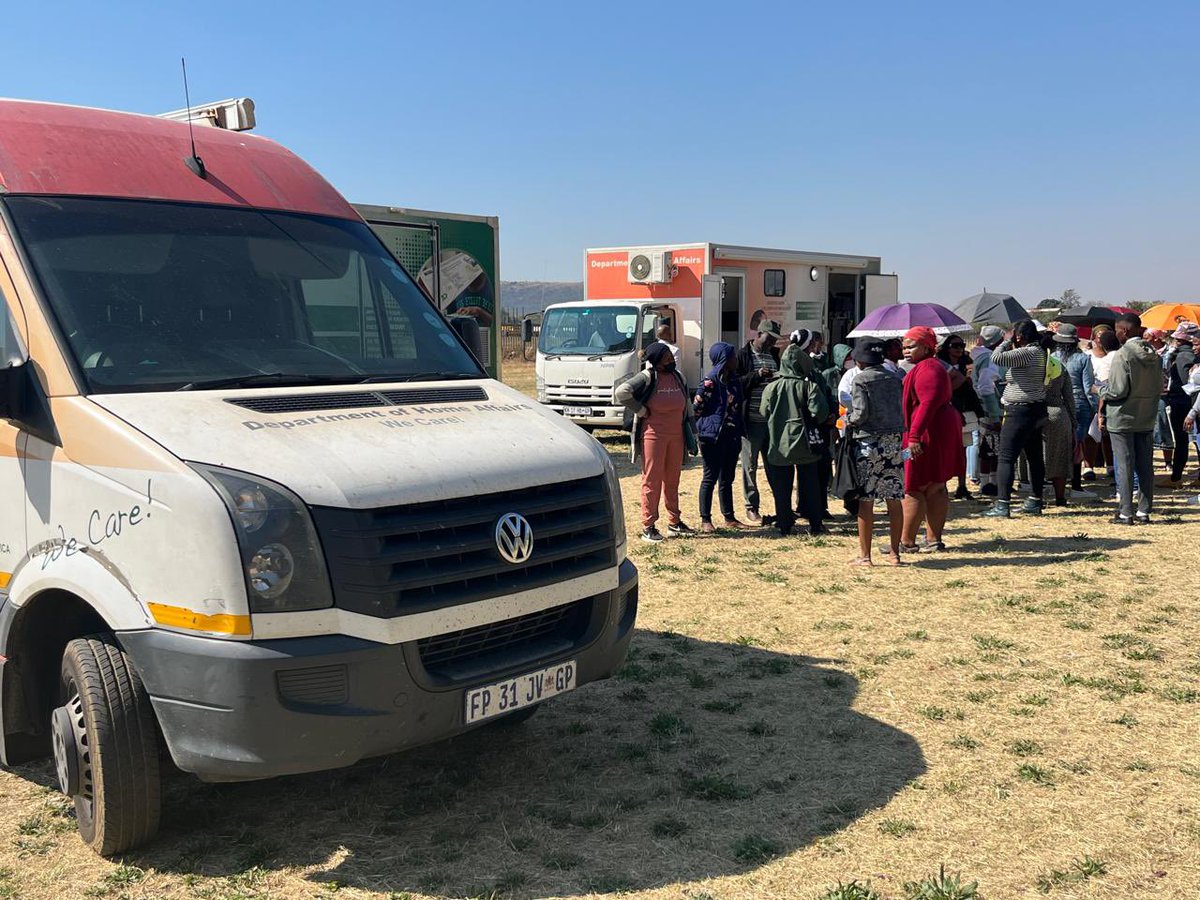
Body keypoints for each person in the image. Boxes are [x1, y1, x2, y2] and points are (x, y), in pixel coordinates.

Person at [616, 341, 694, 542]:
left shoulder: (678, 377)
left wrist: (693, 430)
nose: (671, 360)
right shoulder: (648, 376)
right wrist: (642, 411)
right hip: (653, 436)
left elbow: (686, 403)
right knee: (652, 481)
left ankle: (674, 522)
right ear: (658, 361)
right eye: (667, 357)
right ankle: (648, 526)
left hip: (676, 436)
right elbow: (622, 392)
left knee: (673, 480)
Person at [899, 326, 962, 550]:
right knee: (935, 484)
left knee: (914, 485)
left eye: (911, 346)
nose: (906, 351)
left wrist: (914, 437)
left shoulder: (928, 369)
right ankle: (933, 539)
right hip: (937, 429)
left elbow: (927, 404)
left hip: (926, 432)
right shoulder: (932, 367)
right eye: (904, 347)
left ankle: (906, 541)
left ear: (927, 347)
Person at [759, 343, 830, 536]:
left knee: (781, 487)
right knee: (810, 485)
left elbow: (764, 411)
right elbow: (820, 413)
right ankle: (815, 524)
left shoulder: (771, 388)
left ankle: (784, 524)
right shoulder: (810, 387)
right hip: (806, 444)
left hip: (779, 444)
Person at [982, 319, 1051, 518]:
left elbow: (997, 357)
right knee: (1034, 457)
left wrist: (1006, 341)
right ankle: (1035, 500)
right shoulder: (1040, 351)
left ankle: (1003, 504)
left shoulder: (1026, 352)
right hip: (1036, 408)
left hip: (1019, 410)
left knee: (1006, 457)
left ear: (1019, 336)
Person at [847, 340, 906, 566]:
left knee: (866, 499)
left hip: (868, 442)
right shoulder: (895, 378)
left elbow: (860, 413)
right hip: (893, 442)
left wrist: (848, 420)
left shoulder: (861, 380)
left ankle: (866, 556)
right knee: (894, 498)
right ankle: (895, 554)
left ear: (860, 361)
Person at [1102, 312, 1161, 524]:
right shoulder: (1153, 354)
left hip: (1122, 417)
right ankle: (1144, 511)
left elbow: (1118, 390)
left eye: (1117, 330)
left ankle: (1126, 512)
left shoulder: (1123, 354)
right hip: (1146, 415)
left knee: (1124, 464)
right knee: (1145, 465)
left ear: (1125, 331)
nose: (1116, 334)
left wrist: (1100, 391)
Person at [693, 342, 748, 533]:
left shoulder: (734, 382)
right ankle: (705, 519)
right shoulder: (710, 382)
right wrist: (705, 427)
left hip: (731, 435)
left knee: (727, 478)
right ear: (724, 359)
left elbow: (739, 407)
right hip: (712, 437)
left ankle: (729, 517)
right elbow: (696, 408)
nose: (735, 359)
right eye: (732, 356)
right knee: (710, 477)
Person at [735, 320, 783, 524]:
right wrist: (756, 376)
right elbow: (735, 383)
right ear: (758, 334)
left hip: (772, 421)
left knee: (775, 464)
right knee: (750, 465)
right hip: (751, 420)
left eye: (774, 340)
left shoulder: (774, 356)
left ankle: (781, 506)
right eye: (769, 338)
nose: (772, 342)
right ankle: (751, 506)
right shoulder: (742, 356)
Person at [937, 335, 985, 499]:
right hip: (947, 411)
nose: (959, 348)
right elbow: (942, 390)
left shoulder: (967, 363)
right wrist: (961, 379)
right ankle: (943, 486)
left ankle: (962, 486)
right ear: (947, 348)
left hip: (966, 410)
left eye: (961, 345)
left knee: (963, 449)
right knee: (944, 451)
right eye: (955, 345)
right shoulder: (940, 365)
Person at [1054, 323, 1095, 497]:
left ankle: (1057, 484)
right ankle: (1076, 486)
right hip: (1079, 404)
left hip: (1057, 403)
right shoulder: (1083, 359)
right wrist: (1095, 408)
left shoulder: (1052, 358)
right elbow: (1088, 388)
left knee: (1058, 445)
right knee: (1077, 445)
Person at [1041, 330, 1078, 506]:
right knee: (1060, 457)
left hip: (1034, 412)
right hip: (1057, 413)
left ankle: (1035, 497)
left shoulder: (1029, 365)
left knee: (1035, 457)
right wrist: (1074, 423)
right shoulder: (1058, 366)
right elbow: (1069, 397)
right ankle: (1060, 497)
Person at [1160, 322, 1198, 488]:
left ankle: (1176, 478)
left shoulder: (1183, 357)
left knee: (1182, 442)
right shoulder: (1190, 355)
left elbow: (1184, 384)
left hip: (1183, 403)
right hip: (1190, 404)